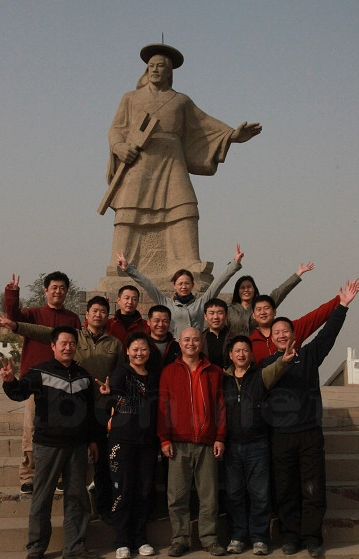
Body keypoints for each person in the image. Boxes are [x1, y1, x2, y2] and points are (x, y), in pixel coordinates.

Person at [104, 43, 261, 277]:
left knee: (185, 207)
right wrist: (119, 147)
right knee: (128, 208)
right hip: (139, 160)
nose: (155, 70)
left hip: (172, 160)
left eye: (160, 66)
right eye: (151, 66)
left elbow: (205, 126)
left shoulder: (181, 101)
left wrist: (232, 136)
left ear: (169, 71)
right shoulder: (130, 98)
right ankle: (121, 262)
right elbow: (116, 129)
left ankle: (187, 262)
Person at [0, 296, 125, 522]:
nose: (98, 315)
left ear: (108, 316)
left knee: (100, 464)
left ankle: (101, 511)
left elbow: (121, 373)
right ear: (86, 315)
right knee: (50, 490)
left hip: (100, 409)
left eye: (103, 311)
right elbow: (42, 331)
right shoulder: (72, 337)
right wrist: (15, 326)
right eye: (94, 310)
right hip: (65, 415)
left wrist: (114, 395)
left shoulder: (114, 344)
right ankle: (39, 536)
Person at [262, 279, 359, 558]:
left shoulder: (308, 355)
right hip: (280, 436)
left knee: (313, 487)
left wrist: (342, 306)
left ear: (294, 335)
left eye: (286, 331)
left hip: (309, 433)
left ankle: (312, 537)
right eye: (277, 332)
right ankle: (290, 536)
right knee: (285, 488)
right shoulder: (267, 365)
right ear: (272, 339)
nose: (282, 335)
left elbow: (328, 335)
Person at [0, 326, 100, 559]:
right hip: (48, 446)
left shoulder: (84, 376)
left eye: (72, 343)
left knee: (77, 498)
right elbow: (19, 393)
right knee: (42, 498)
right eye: (63, 343)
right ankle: (36, 548)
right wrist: (10, 381)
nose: (68, 347)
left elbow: (90, 413)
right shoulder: (40, 372)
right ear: (53, 346)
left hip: (77, 446)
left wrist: (93, 440)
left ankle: (74, 546)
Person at [4, 272, 81, 494]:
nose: (58, 291)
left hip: (63, 383)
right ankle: (28, 476)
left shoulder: (72, 319)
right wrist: (12, 294)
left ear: (67, 292)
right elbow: (14, 318)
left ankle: (59, 476)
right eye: (54, 287)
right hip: (35, 383)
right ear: (45, 290)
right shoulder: (33, 314)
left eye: (62, 288)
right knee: (31, 428)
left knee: (62, 428)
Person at [223, 335, 296, 556]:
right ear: (230, 355)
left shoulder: (260, 375)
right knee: (234, 494)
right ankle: (237, 536)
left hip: (257, 444)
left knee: (260, 494)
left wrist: (284, 360)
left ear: (251, 354)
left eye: (245, 350)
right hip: (231, 446)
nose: (241, 354)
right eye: (237, 351)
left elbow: (277, 368)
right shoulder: (222, 379)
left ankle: (259, 538)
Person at [158, 327, 226, 557]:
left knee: (209, 496)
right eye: (186, 339)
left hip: (207, 442)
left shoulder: (214, 371)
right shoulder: (169, 371)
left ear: (201, 343)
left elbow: (220, 407)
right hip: (178, 443)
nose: (191, 343)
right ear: (179, 343)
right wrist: (164, 438)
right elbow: (163, 407)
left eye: (195, 339)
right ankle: (180, 539)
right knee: (177, 496)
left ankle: (209, 538)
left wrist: (220, 437)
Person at [97, 332, 159, 559]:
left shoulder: (154, 376)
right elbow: (113, 398)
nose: (139, 353)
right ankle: (122, 540)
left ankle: (140, 538)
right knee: (122, 489)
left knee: (144, 490)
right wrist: (108, 395)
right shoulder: (121, 373)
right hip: (122, 441)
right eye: (135, 349)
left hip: (147, 442)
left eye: (143, 349)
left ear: (149, 352)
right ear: (128, 352)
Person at [116, 243, 243, 338]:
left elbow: (218, 284)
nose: (184, 287)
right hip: (175, 350)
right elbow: (147, 285)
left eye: (187, 283)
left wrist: (234, 264)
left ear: (192, 285)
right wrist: (128, 269)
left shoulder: (200, 303)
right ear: (174, 286)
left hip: (196, 348)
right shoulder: (166, 303)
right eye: (180, 284)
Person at [250, 290, 341, 366]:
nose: (263, 312)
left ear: (274, 311)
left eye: (266, 308)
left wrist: (341, 300)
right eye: (258, 309)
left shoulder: (292, 329)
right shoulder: (249, 342)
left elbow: (317, 316)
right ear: (253, 315)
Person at [227, 262, 314, 337]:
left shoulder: (263, 306)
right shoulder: (229, 310)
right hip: (235, 349)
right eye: (242, 288)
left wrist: (298, 274)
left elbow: (280, 292)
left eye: (249, 287)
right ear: (237, 291)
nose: (246, 290)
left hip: (258, 346)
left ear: (254, 289)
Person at [106, 284, 149, 349]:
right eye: (127, 298)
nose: (130, 302)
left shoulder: (145, 326)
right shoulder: (108, 324)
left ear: (137, 302)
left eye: (134, 299)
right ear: (118, 300)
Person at [145, 304, 181, 372]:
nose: (160, 324)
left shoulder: (177, 347)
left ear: (169, 323)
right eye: (156, 320)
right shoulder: (142, 345)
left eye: (165, 321)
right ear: (148, 322)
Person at [201, 298, 232, 369]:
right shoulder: (200, 340)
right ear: (205, 316)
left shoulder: (234, 338)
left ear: (226, 315)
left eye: (220, 313)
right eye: (211, 313)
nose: (215, 317)